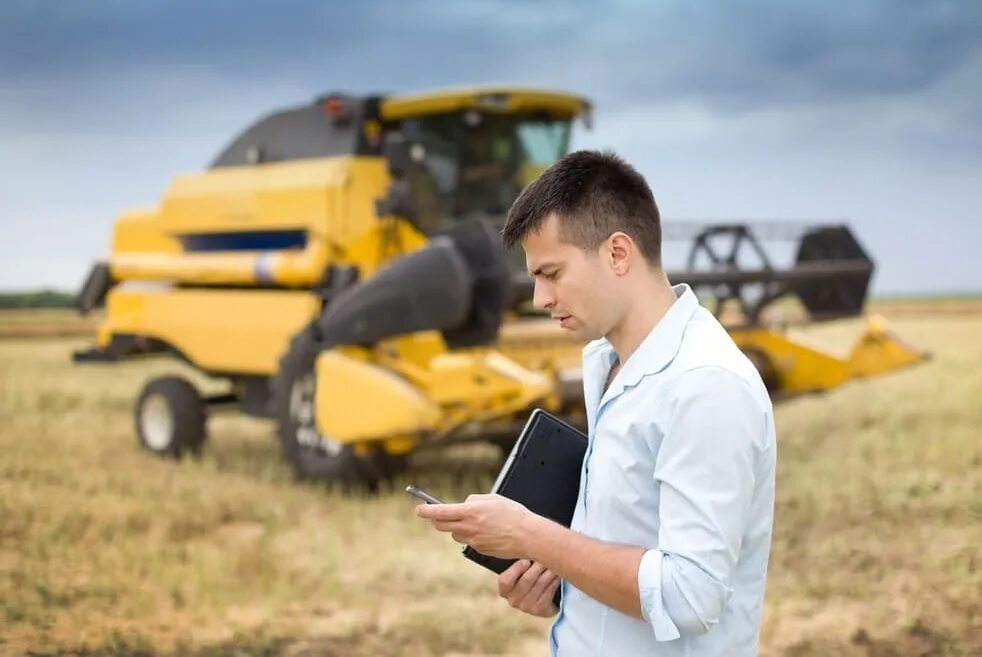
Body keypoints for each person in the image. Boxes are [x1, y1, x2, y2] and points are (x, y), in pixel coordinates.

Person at [416, 150, 777, 656]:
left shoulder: (705, 385)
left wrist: (529, 535)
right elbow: (626, 548)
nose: (539, 298)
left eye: (552, 273)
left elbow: (688, 598)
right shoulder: (607, 365)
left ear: (618, 254)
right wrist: (559, 587)